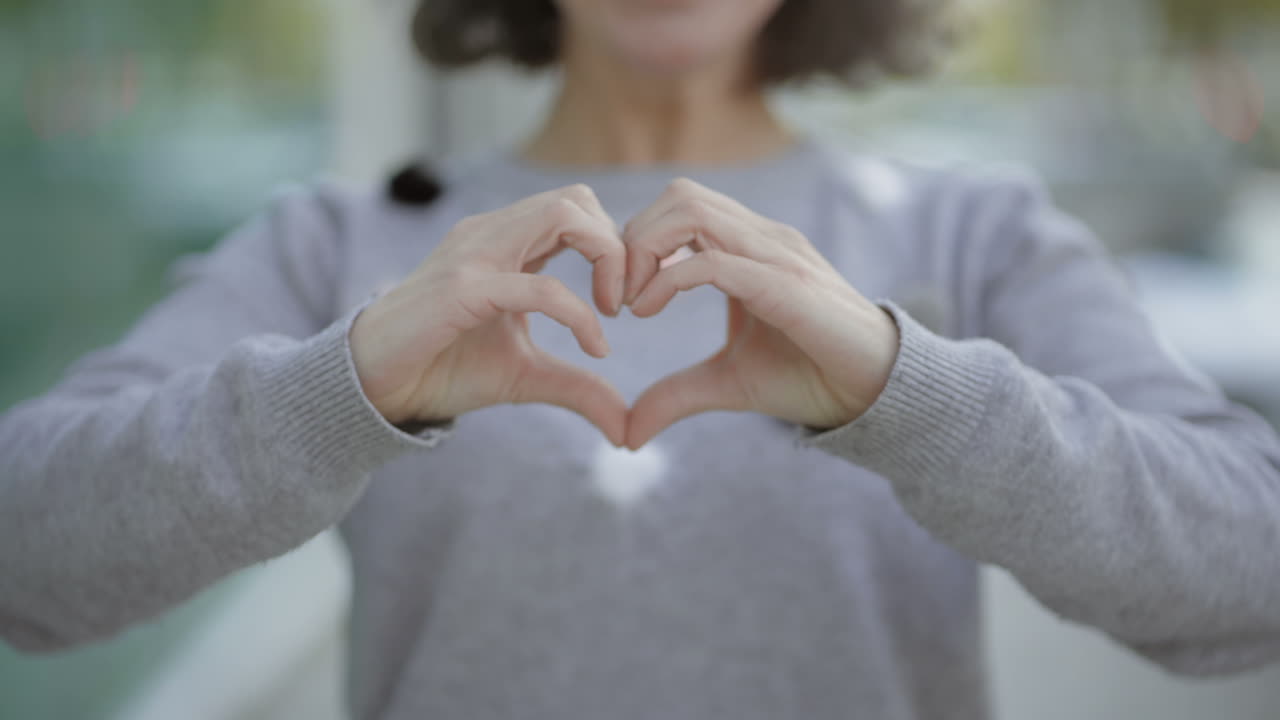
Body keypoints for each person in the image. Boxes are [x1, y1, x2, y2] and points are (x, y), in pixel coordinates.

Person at [3, 0, 1280, 718]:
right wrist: (338, 393)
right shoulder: (340, 239)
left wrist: (911, 394)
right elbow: (27, 563)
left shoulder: (973, 232)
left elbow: (1247, 574)